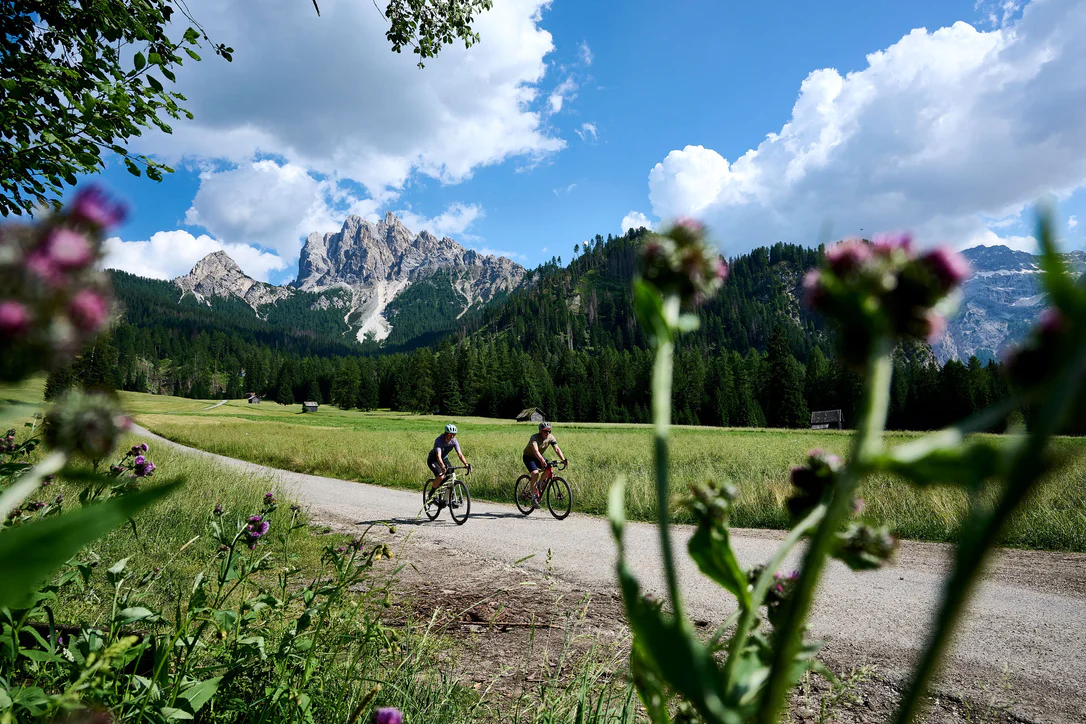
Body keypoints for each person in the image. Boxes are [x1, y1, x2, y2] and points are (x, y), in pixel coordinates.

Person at [522, 421, 567, 505]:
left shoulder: (550, 437)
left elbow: (557, 449)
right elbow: (535, 450)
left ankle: (539, 484)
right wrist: (542, 460)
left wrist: (563, 459)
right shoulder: (534, 437)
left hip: (538, 457)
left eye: (549, 431)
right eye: (545, 431)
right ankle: (533, 496)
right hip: (528, 457)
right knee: (535, 474)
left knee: (548, 468)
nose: (547, 433)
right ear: (540, 431)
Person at [426, 423, 469, 502]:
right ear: (445, 433)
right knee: (441, 476)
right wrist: (442, 466)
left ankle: (447, 496)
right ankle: (431, 493)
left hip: (444, 458)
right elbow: (438, 456)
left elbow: (460, 454)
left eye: (454, 434)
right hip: (433, 459)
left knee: (450, 474)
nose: (452, 436)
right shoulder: (439, 440)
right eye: (450, 434)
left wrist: (466, 464)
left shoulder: (454, 441)